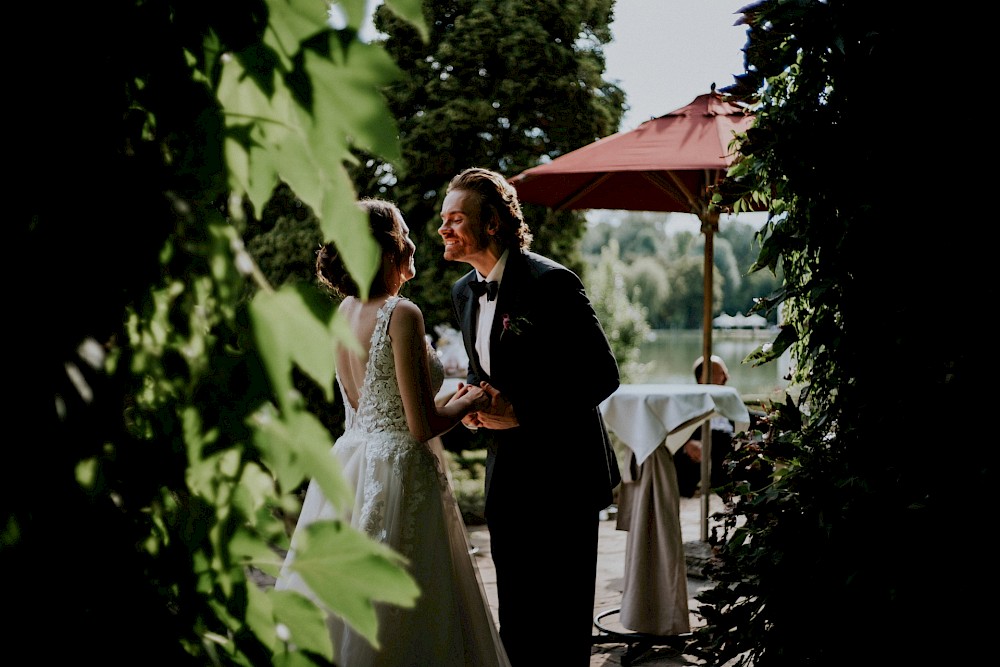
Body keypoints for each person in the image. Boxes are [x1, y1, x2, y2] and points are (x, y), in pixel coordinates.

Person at [275, 198, 511, 667]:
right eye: (403, 232)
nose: (412, 241)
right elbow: (419, 427)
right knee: (410, 607)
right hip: (398, 474)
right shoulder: (401, 313)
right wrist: (471, 400)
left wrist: (451, 403)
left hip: (353, 463)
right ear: (386, 249)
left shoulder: (345, 311)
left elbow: (381, 411)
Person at [438, 167, 622, 665]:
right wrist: (476, 403)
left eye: (455, 219)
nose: (443, 229)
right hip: (508, 475)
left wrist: (520, 411)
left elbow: (602, 375)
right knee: (516, 614)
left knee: (561, 623)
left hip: (564, 474)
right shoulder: (462, 293)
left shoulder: (552, 283)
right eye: (443, 220)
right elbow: (485, 369)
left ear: (492, 223)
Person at [673, 354, 736, 497]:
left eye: (726, 374)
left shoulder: (729, 399)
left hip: (730, 451)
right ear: (703, 377)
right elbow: (673, 430)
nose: (727, 378)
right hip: (700, 455)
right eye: (721, 374)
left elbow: (747, 415)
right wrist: (687, 444)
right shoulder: (686, 404)